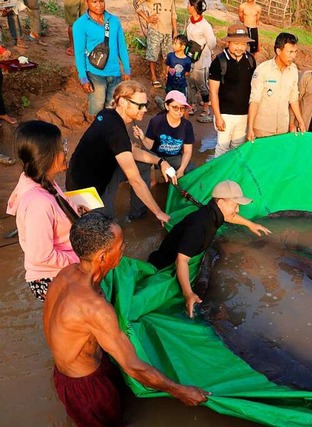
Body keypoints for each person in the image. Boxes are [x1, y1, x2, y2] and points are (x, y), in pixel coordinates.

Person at [43, 212, 209, 427]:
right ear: (102, 257)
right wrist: (181, 391)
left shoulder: (65, 274)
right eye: (120, 246)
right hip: (86, 386)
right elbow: (134, 367)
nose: (124, 249)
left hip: (70, 372)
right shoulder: (94, 307)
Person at [148, 180, 271, 318]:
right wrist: (188, 294)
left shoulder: (212, 212)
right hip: (165, 266)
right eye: (236, 205)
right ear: (221, 203)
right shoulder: (199, 226)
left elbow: (230, 216)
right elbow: (181, 261)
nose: (238, 210)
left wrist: (250, 224)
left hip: (185, 255)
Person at [66, 80, 172, 223]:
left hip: (100, 171)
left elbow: (130, 150)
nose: (145, 110)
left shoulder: (108, 114)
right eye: (140, 105)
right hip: (86, 190)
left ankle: (138, 214)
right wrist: (158, 212)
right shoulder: (116, 130)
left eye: (145, 105)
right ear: (122, 101)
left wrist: (161, 161)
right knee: (105, 228)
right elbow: (135, 180)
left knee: (145, 163)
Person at [6, 121, 80, 301]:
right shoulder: (38, 203)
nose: (65, 151)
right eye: (61, 146)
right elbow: (41, 256)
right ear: (46, 156)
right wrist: (82, 260)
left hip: (65, 265)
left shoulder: (42, 180)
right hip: (53, 277)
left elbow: (57, 206)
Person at [73, 0, 131, 119]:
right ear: (86, 2)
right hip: (95, 74)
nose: (99, 5)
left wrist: (126, 69)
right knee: (97, 110)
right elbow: (79, 53)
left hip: (115, 73)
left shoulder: (114, 21)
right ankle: (96, 135)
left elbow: (122, 46)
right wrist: (83, 78)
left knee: (112, 108)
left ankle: (108, 135)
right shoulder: (80, 24)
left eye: (101, 1)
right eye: (94, 2)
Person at [208, 23, 256, 158]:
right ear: (228, 43)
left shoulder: (250, 60)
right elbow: (213, 92)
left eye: (243, 44)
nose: (239, 47)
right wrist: (218, 117)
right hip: (225, 115)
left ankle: (232, 178)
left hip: (243, 115)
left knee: (237, 151)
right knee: (222, 149)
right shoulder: (219, 61)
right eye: (236, 43)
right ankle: (218, 178)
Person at [247, 32, 305, 141]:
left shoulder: (293, 70)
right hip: (262, 129)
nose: (293, 56)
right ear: (278, 51)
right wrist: (250, 128)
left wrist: (300, 121)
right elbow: (254, 100)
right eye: (290, 52)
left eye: (295, 52)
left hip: (282, 129)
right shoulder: (262, 70)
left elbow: (293, 98)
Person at [134, 90, 195, 181]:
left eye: (182, 108)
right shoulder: (156, 121)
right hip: (156, 156)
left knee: (191, 169)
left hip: (175, 157)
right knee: (143, 167)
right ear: (167, 106)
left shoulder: (187, 125)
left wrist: (181, 170)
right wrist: (142, 137)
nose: (179, 111)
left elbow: (187, 151)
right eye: (175, 107)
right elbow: (149, 146)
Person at [186, 0, 216, 123]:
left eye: (189, 4)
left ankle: (205, 108)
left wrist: (207, 52)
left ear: (193, 7)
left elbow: (212, 42)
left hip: (202, 60)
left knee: (202, 84)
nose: (187, 6)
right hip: (190, 57)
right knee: (191, 82)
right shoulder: (190, 22)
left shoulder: (205, 25)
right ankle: (193, 105)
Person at [136, 0, 177, 88]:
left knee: (168, 55)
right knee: (153, 55)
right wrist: (147, 18)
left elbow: (173, 15)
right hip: (155, 30)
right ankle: (153, 77)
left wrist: (175, 31)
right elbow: (136, 4)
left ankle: (167, 76)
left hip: (168, 32)